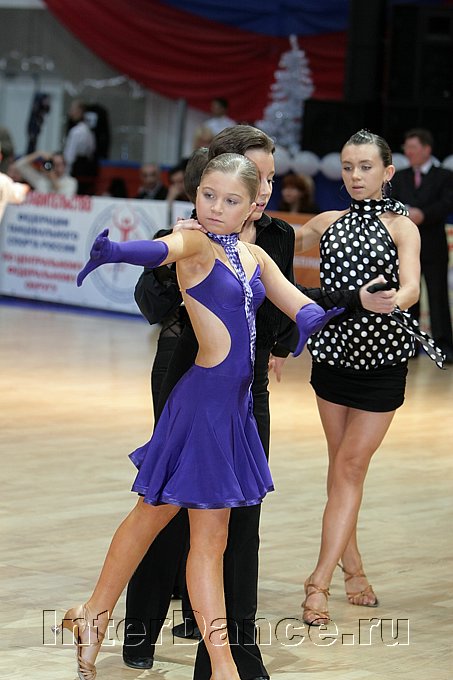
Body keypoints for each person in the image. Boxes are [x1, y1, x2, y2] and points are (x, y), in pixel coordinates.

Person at [123, 126, 401, 679]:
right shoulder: (186, 233)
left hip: (247, 387)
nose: (267, 188)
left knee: (240, 519)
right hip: (186, 378)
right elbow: (152, 304)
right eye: (260, 175)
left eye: (270, 178)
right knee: (166, 509)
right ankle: (140, 631)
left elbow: (285, 302)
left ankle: (229, 653)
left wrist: (344, 304)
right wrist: (171, 256)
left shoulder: (272, 236)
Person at [56, 152, 341, 680]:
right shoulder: (195, 243)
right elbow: (159, 249)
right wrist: (115, 251)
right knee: (174, 526)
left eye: (230, 200)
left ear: (252, 206)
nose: (215, 207)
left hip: (233, 411)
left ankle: (93, 617)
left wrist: (315, 317)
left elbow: (295, 300)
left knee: (176, 527)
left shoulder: (253, 255)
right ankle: (220, 666)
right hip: (201, 407)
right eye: (208, 195)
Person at [293, 129, 445, 627]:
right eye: (348, 167)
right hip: (333, 357)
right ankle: (353, 570)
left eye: (365, 167)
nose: (355, 176)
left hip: (382, 362)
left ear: (387, 172)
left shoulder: (403, 227)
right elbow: (275, 241)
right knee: (342, 468)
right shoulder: (327, 221)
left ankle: (318, 582)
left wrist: (392, 300)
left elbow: (412, 287)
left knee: (350, 467)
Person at [391, 128, 453, 363]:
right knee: (407, 296)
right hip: (405, 248)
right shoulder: (400, 176)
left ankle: (444, 346)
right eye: (406, 147)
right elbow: (390, 202)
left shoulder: (444, 176)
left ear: (427, 149)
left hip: (433, 246)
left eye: (413, 147)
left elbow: (447, 203)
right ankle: (408, 344)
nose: (408, 152)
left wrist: (423, 214)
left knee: (438, 297)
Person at [63, 99, 97, 195]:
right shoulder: (88, 131)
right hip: (87, 170)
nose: (70, 113)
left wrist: (65, 174)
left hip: (76, 170)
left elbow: (69, 155)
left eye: (72, 110)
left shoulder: (76, 131)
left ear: (79, 112)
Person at [12, 150, 78, 197]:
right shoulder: (41, 179)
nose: (55, 168)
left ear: (64, 166)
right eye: (53, 164)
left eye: (58, 164)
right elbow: (19, 166)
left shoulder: (71, 182)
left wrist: (52, 176)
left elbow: (65, 198)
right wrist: (38, 154)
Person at [0, 143, 30, 220]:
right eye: (12, 171)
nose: (13, 174)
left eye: (16, 172)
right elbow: (22, 191)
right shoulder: (3, 181)